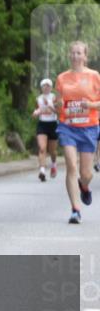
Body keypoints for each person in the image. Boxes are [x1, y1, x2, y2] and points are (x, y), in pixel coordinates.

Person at [53, 41, 100, 224]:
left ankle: (84, 185)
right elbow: (59, 105)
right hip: (68, 127)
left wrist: (90, 105)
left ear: (85, 56)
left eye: (79, 53)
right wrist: (56, 106)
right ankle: (75, 209)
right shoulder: (62, 78)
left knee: (86, 173)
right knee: (71, 166)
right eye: (72, 52)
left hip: (89, 127)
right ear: (69, 55)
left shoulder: (94, 76)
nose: (75, 56)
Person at [32, 78, 59, 182]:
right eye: (44, 85)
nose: (46, 87)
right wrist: (35, 113)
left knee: (52, 151)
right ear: (41, 87)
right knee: (42, 148)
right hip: (42, 124)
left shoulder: (54, 97)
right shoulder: (38, 98)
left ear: (51, 87)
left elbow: (59, 112)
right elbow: (36, 111)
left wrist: (51, 107)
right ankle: (42, 171)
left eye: (48, 85)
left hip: (53, 124)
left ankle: (53, 164)